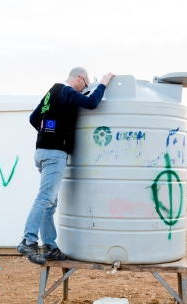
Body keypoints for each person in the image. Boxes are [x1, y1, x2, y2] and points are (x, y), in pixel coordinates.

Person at [17, 67, 115, 265]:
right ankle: (28, 240)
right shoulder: (67, 91)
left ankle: (50, 247)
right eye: (84, 86)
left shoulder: (50, 93)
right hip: (54, 154)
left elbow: (33, 119)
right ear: (80, 79)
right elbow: (91, 103)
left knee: (50, 203)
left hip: (41, 152)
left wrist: (50, 132)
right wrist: (103, 83)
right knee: (45, 198)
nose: (81, 91)